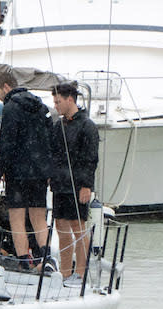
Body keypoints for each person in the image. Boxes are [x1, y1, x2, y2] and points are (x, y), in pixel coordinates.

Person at [0, 72, 54, 270]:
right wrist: (49, 168)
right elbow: (51, 139)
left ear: (7, 86)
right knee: (38, 217)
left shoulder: (10, 108)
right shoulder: (41, 107)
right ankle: (46, 259)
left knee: (17, 217)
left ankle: (24, 262)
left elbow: (6, 142)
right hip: (40, 172)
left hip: (18, 172)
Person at [50, 82, 99, 288]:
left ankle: (80, 273)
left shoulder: (87, 125)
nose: (56, 105)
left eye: (58, 101)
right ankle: (65, 271)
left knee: (78, 228)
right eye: (54, 102)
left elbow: (91, 158)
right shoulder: (59, 125)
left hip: (78, 185)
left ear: (70, 99)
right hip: (59, 184)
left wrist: (86, 185)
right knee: (61, 228)